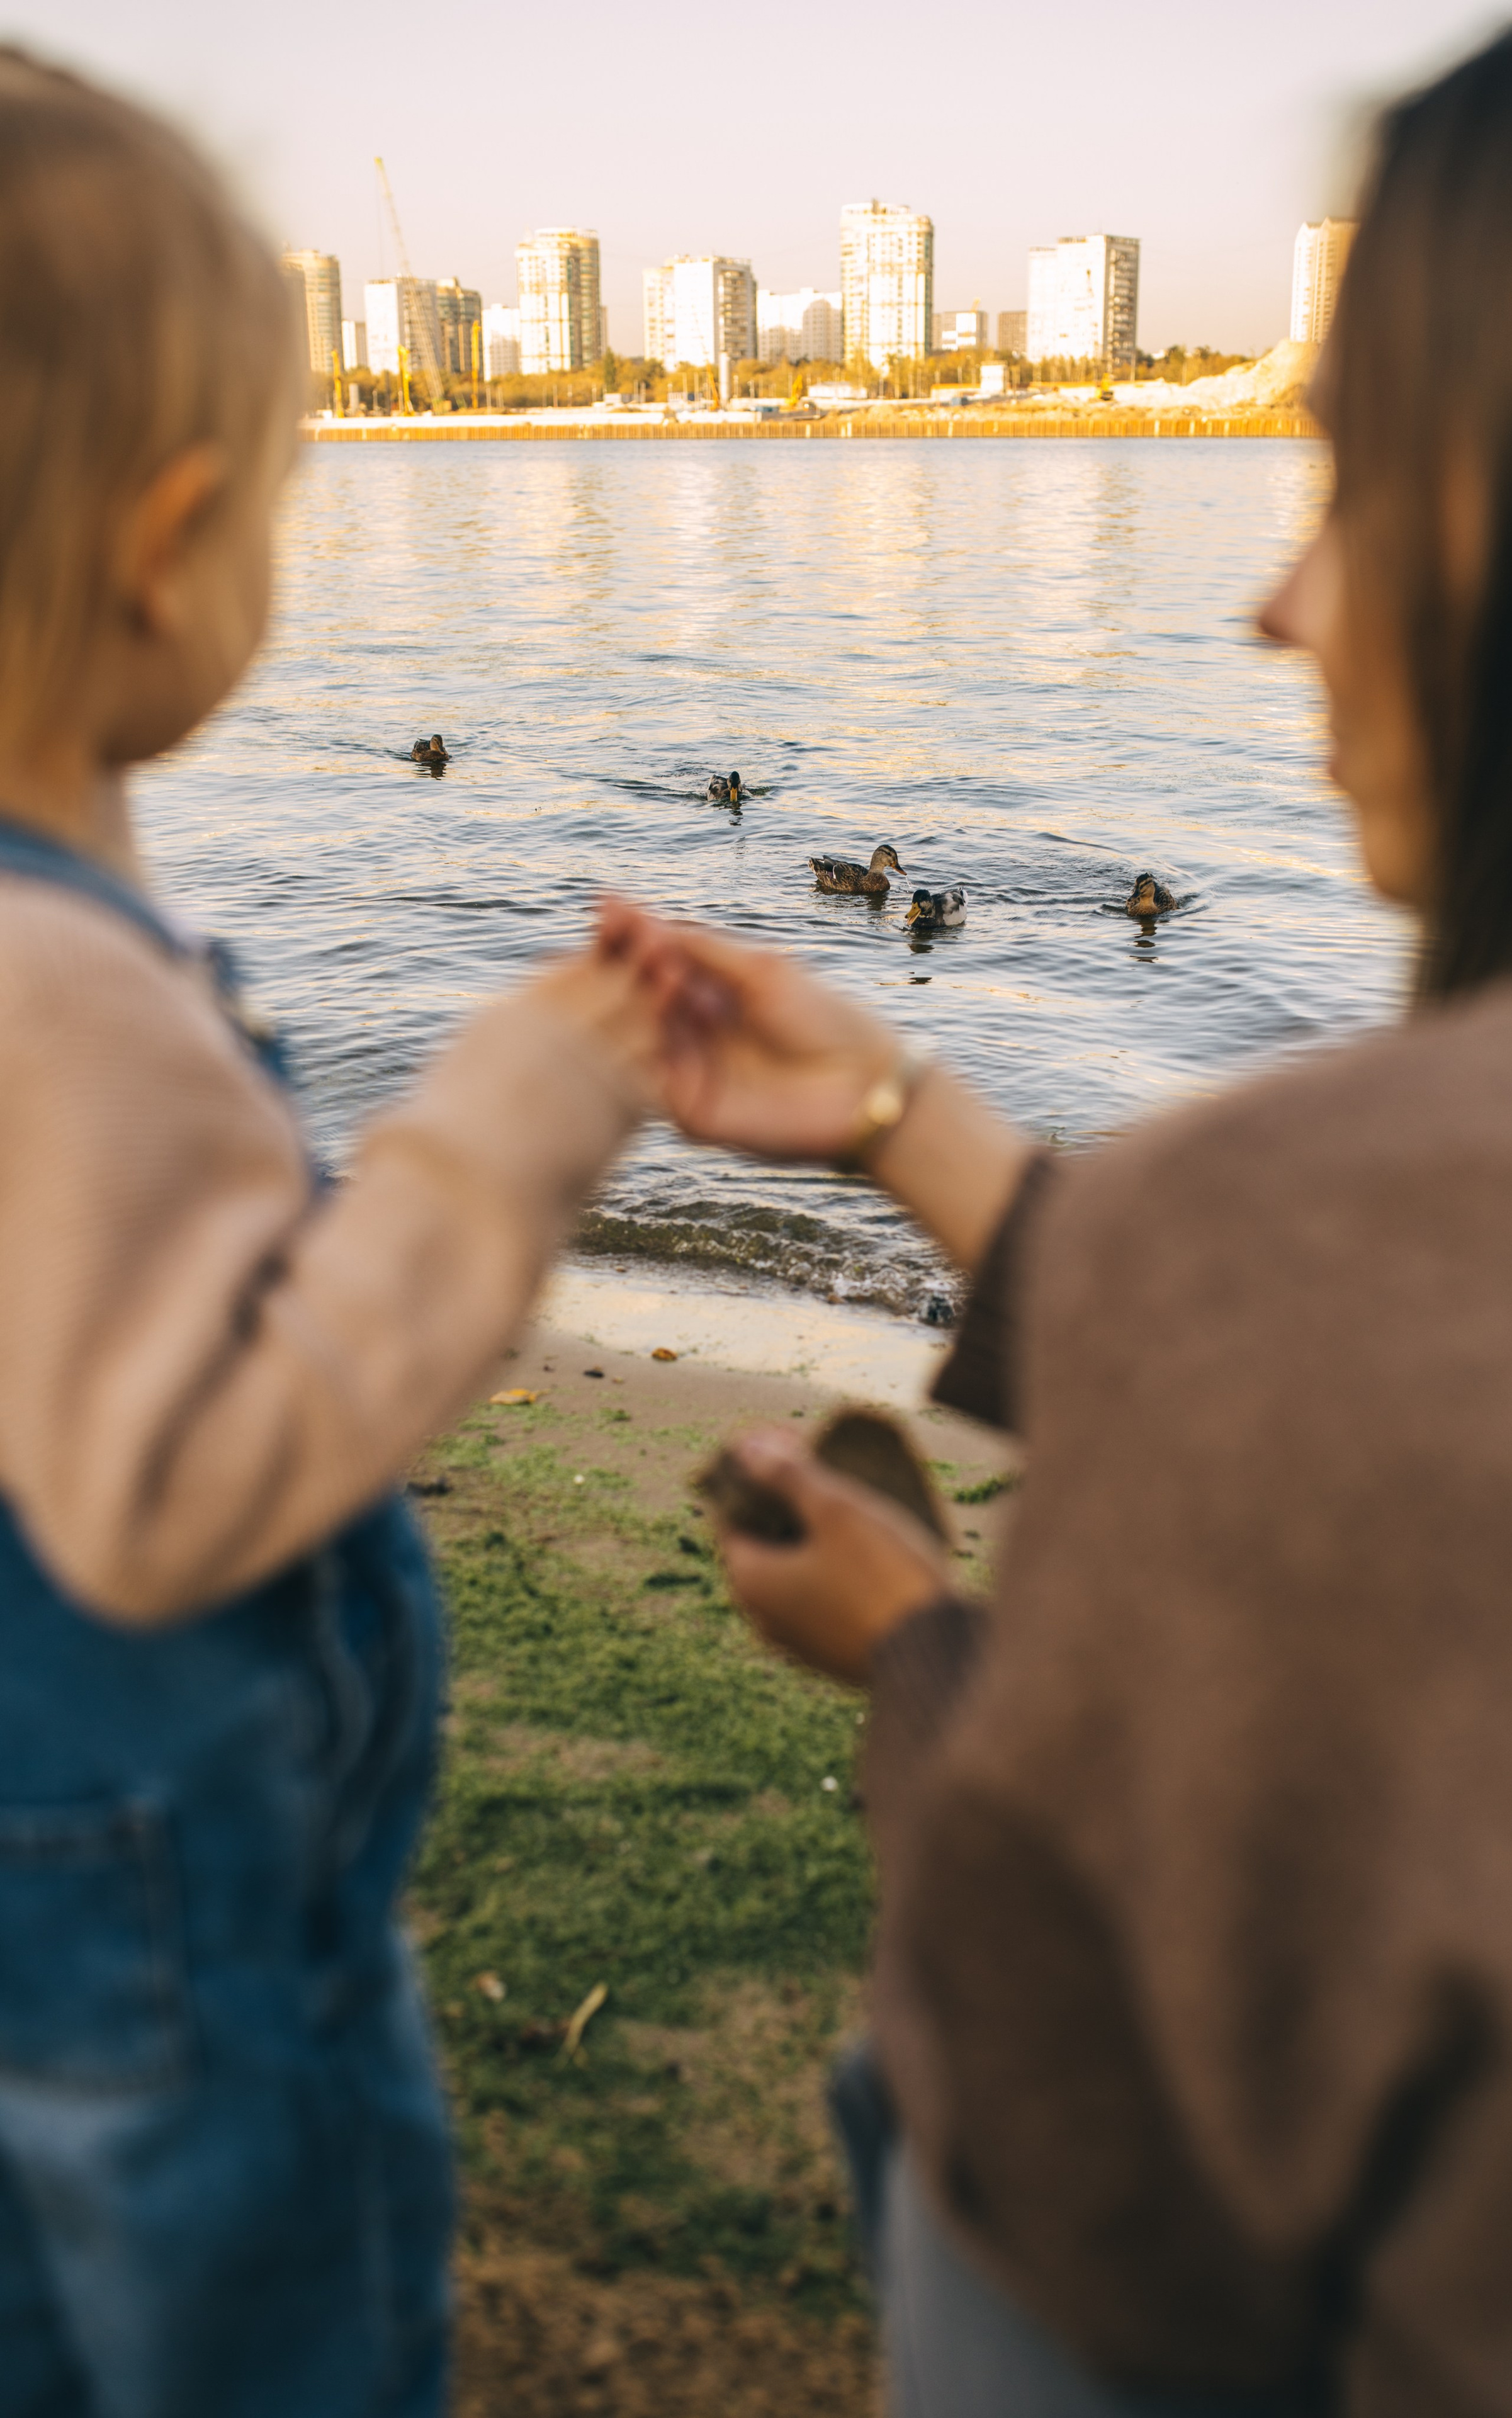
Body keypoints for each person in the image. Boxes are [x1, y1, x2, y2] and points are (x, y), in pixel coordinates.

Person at [612, 5, 1512, 2408]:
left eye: (1345, 484)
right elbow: (1449, 1362)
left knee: (938, 2098)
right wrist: (907, 1119)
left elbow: (1098, 2124)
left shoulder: (1270, 1216)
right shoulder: (1325, 1264)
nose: (1280, 607)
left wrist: (918, 1659)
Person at [0, 55, 655, 2418]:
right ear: (172, 540)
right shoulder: (56, 990)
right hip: (163, 1911)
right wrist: (493, 1140)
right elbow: (168, 1485)